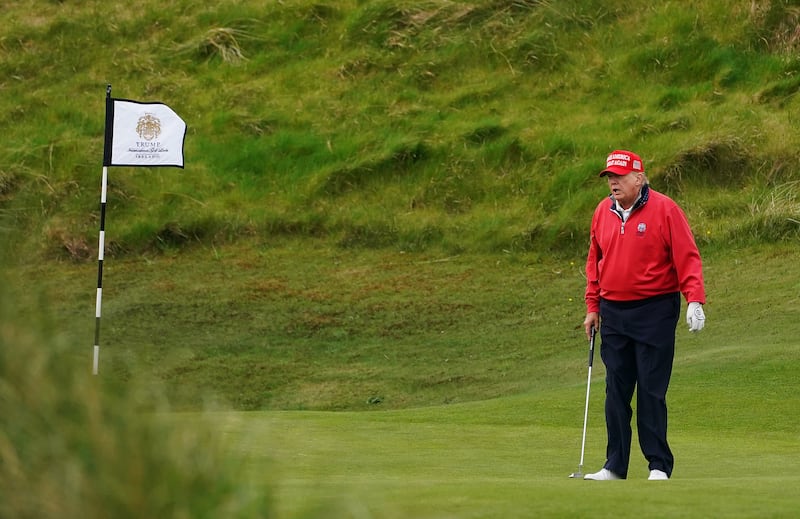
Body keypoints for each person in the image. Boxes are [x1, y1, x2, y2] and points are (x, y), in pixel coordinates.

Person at [582, 150, 706, 481]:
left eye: (619, 177)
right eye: (609, 177)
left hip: (655, 310)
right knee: (616, 391)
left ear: (639, 178)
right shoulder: (602, 211)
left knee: (651, 390)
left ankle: (658, 466)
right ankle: (614, 466)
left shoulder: (665, 209)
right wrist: (592, 307)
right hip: (614, 312)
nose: (613, 182)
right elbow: (595, 261)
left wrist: (695, 299)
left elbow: (688, 257)